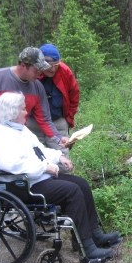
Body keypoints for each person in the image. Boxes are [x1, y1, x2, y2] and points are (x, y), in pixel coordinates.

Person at [0, 92, 122, 261]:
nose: (26, 112)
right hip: (24, 185)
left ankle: (95, 235)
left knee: (82, 184)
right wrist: (44, 167)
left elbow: (40, 150)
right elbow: (12, 165)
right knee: (72, 191)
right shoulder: (2, 135)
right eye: (23, 109)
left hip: (38, 179)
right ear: (11, 112)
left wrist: (59, 157)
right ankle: (88, 249)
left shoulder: (20, 130)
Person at [0, 47, 69, 254]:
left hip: (17, 140)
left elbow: (43, 117)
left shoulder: (36, 86)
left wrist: (58, 138)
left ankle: (21, 214)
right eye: (36, 70)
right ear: (23, 65)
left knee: (27, 178)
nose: (39, 74)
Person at [26, 44, 79, 174]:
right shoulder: (33, 73)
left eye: (56, 65)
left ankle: (64, 188)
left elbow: (74, 95)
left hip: (57, 121)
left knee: (63, 161)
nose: (53, 69)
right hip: (33, 122)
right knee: (32, 157)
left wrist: (68, 119)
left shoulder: (65, 71)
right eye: (50, 66)